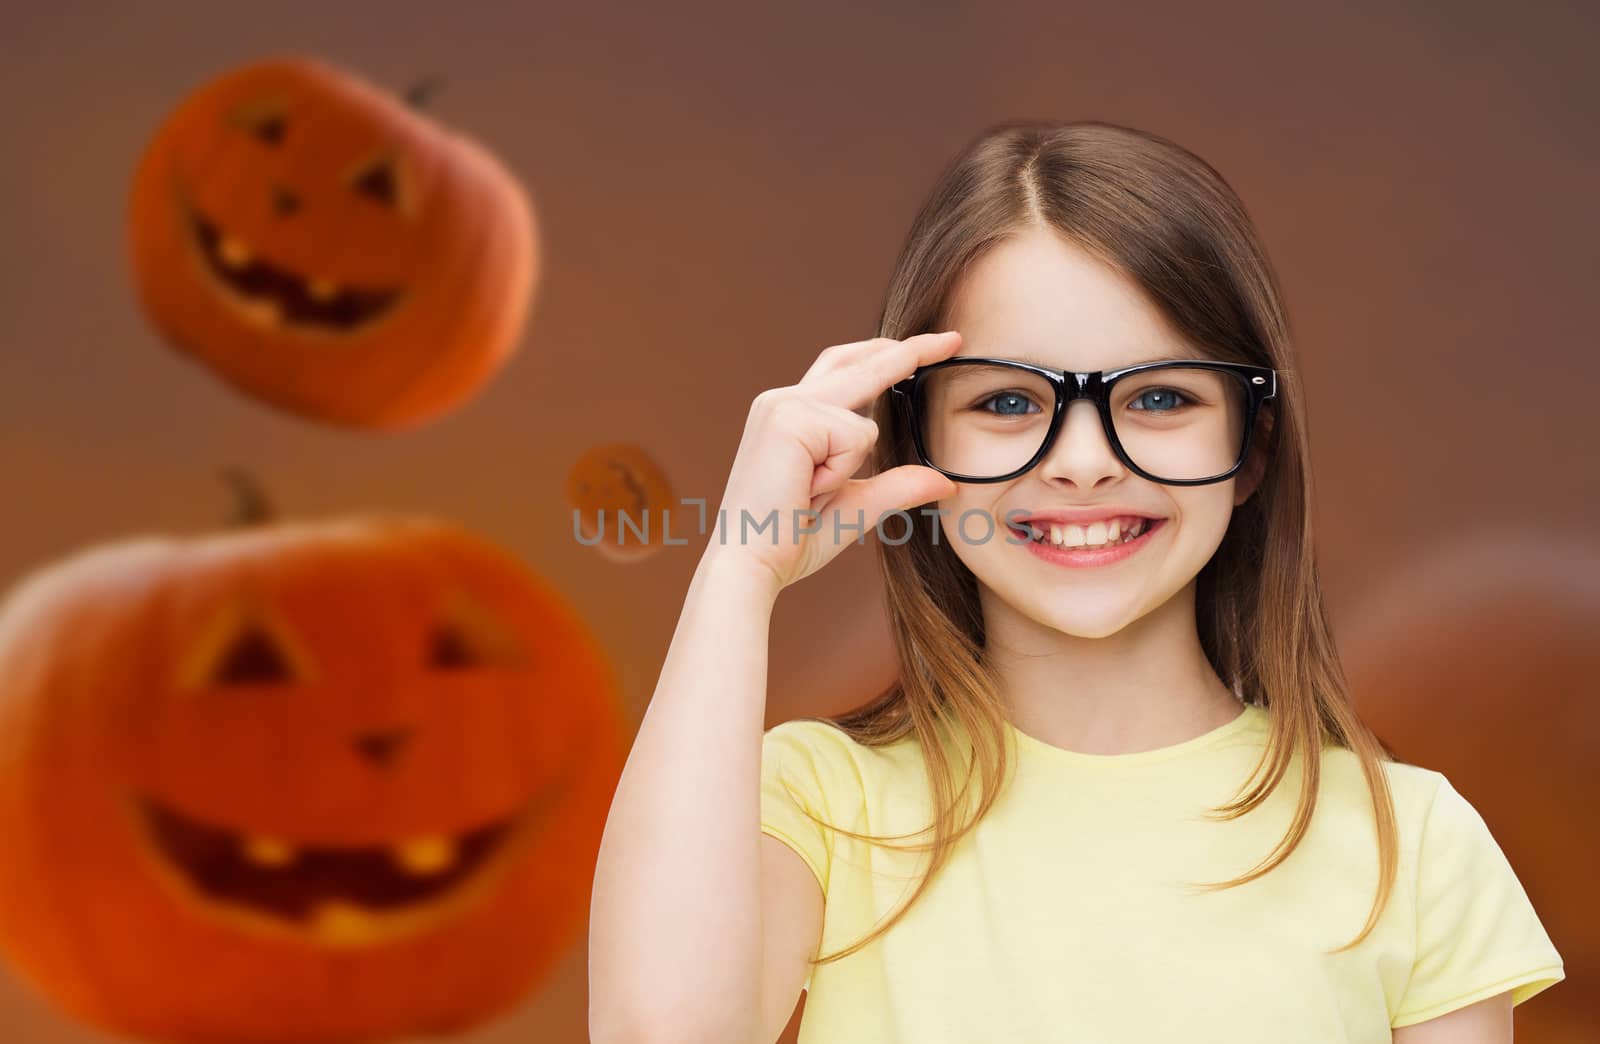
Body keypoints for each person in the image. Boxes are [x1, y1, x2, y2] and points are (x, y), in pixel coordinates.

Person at [587, 120, 1565, 1043]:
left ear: (1249, 449)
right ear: (916, 437)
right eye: (1011, 400)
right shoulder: (816, 803)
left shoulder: (1413, 841)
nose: (1084, 461)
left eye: (1159, 397)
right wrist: (739, 566)